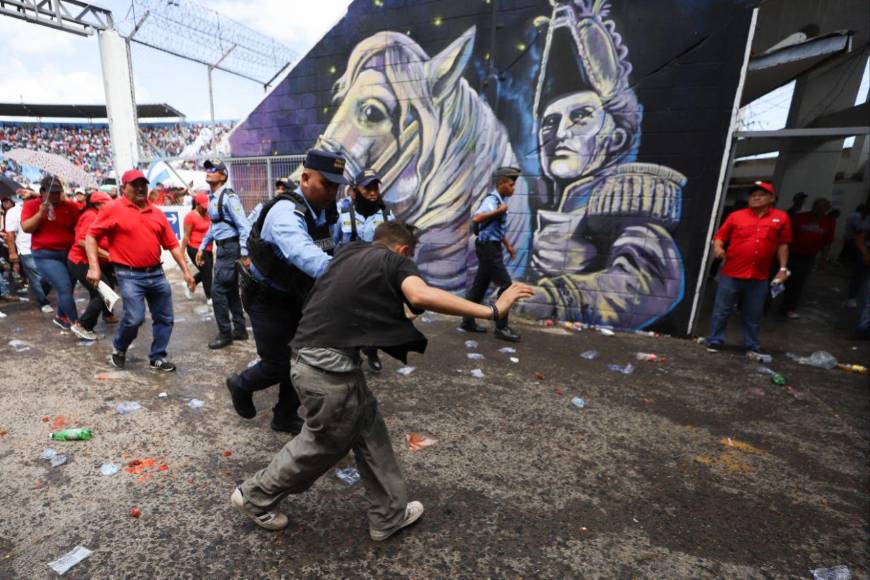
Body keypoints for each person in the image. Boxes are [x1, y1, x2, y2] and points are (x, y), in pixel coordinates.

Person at [230, 221, 535, 539]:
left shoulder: (348, 254)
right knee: (323, 444)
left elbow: (354, 305)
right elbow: (419, 293)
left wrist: (404, 314)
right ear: (404, 250)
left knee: (369, 429)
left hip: (313, 360)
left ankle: (389, 514)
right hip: (329, 372)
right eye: (410, 257)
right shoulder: (394, 260)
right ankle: (254, 496)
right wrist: (493, 310)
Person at [227, 149, 346, 434]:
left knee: (301, 360)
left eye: (336, 186)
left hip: (299, 296)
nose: (332, 192)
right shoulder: (285, 212)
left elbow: (335, 247)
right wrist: (348, 277)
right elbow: (304, 254)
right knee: (277, 363)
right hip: (267, 299)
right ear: (305, 178)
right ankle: (241, 384)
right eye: (326, 184)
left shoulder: (327, 212)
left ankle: (284, 415)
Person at [85, 169, 196, 372]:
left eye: (142, 184)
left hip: (156, 273)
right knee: (134, 318)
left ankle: (157, 357)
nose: (139, 188)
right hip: (129, 275)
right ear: (123, 187)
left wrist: (186, 271)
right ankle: (119, 347)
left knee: (165, 318)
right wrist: (94, 266)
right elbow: (91, 236)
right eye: (134, 184)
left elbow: (172, 244)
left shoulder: (156, 213)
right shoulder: (112, 209)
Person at [705, 182, 791, 355]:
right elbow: (720, 235)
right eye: (753, 195)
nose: (756, 197)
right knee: (722, 309)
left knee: (753, 313)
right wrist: (718, 248)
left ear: (772, 198)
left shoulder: (781, 218)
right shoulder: (736, 216)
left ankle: (751, 344)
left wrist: (782, 268)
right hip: (732, 272)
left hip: (759, 275)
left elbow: (783, 244)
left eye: (761, 194)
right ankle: (715, 340)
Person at [334, 168, 395, 371]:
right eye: (367, 188)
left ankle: (371, 350)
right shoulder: (342, 213)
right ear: (355, 190)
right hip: (349, 274)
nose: (372, 192)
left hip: (376, 274)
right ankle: (351, 354)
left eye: (375, 187)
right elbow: (334, 244)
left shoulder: (386, 215)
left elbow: (395, 246)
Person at [20, 176, 89, 337]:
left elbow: (79, 228)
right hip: (45, 254)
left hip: (69, 253)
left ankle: (60, 316)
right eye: (53, 193)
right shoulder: (31, 205)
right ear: (42, 192)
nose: (56, 196)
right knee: (64, 286)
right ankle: (76, 323)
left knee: (68, 289)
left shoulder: (70, 206)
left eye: (59, 192)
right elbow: (26, 228)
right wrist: (40, 214)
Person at [460, 166, 522, 342]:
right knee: (507, 286)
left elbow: (496, 229)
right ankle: (501, 328)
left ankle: (467, 321)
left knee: (480, 285)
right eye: (511, 184)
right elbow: (477, 218)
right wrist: (498, 211)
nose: (513, 188)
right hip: (488, 249)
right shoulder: (492, 201)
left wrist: (508, 246)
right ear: (501, 183)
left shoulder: (499, 200)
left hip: (491, 246)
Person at [196, 160, 250, 350]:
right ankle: (240, 329)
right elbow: (215, 226)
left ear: (223, 176)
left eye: (214, 170)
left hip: (230, 249)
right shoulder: (214, 197)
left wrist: (244, 252)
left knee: (217, 292)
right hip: (224, 248)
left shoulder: (228, 197)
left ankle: (225, 334)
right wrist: (203, 246)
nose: (209, 172)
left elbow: (244, 226)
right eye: (208, 170)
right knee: (231, 291)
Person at [67, 191, 117, 336]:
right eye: (108, 204)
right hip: (80, 261)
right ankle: (83, 325)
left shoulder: (99, 215)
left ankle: (100, 318)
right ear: (98, 204)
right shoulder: (90, 216)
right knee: (104, 293)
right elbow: (82, 241)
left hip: (91, 261)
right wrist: (109, 255)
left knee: (104, 290)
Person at [782, 198, 835, 318]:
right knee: (784, 279)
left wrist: (824, 258)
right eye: (818, 206)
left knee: (799, 282)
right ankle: (771, 303)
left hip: (809, 256)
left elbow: (827, 242)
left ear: (827, 209)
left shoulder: (829, 222)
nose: (820, 210)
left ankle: (789, 307)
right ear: (814, 206)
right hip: (792, 254)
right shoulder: (800, 218)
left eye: (823, 207)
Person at [4, 189, 53, 312]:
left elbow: (52, 200)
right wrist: (12, 252)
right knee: (36, 277)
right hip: (26, 250)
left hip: (44, 247)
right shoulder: (13, 212)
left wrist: (34, 194)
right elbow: (10, 234)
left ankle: (39, 294)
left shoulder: (43, 207)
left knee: (49, 277)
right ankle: (43, 302)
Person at [182, 193, 213, 302]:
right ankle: (210, 297)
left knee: (207, 271)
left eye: (206, 206)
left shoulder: (209, 214)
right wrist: (181, 253)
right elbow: (186, 236)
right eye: (203, 207)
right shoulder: (190, 217)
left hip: (208, 248)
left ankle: (190, 284)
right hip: (194, 248)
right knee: (207, 273)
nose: (205, 209)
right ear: (197, 204)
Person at [842, 204, 869, 308]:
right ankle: (852, 297)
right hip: (865, 250)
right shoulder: (864, 219)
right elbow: (860, 236)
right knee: (860, 274)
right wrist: (865, 254)